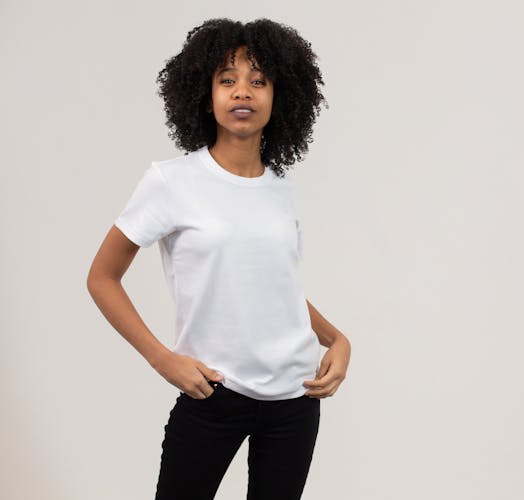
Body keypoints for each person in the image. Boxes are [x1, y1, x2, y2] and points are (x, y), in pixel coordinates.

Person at [86, 17, 351, 500]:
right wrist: (163, 360)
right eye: (227, 79)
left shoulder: (279, 191)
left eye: (258, 80)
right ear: (204, 94)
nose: (242, 91)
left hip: (295, 398)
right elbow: (102, 277)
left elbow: (277, 287)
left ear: (280, 96)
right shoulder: (170, 182)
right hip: (212, 392)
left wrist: (337, 340)